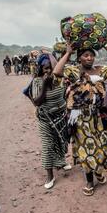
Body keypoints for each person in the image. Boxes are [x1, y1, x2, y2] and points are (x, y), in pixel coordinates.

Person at [53, 43, 107, 196]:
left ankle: (98, 172)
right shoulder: (74, 72)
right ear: (79, 58)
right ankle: (90, 181)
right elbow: (57, 71)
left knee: (103, 146)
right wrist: (68, 53)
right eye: (85, 55)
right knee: (86, 149)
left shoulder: (101, 70)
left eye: (91, 55)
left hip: (99, 116)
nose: (89, 57)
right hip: (81, 118)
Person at [31, 53, 71, 189]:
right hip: (46, 118)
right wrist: (44, 87)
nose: (48, 71)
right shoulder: (37, 81)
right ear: (41, 69)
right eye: (45, 68)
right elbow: (36, 102)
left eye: (50, 68)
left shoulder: (60, 79)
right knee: (48, 145)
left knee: (60, 141)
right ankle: (50, 175)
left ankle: (61, 161)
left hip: (60, 116)